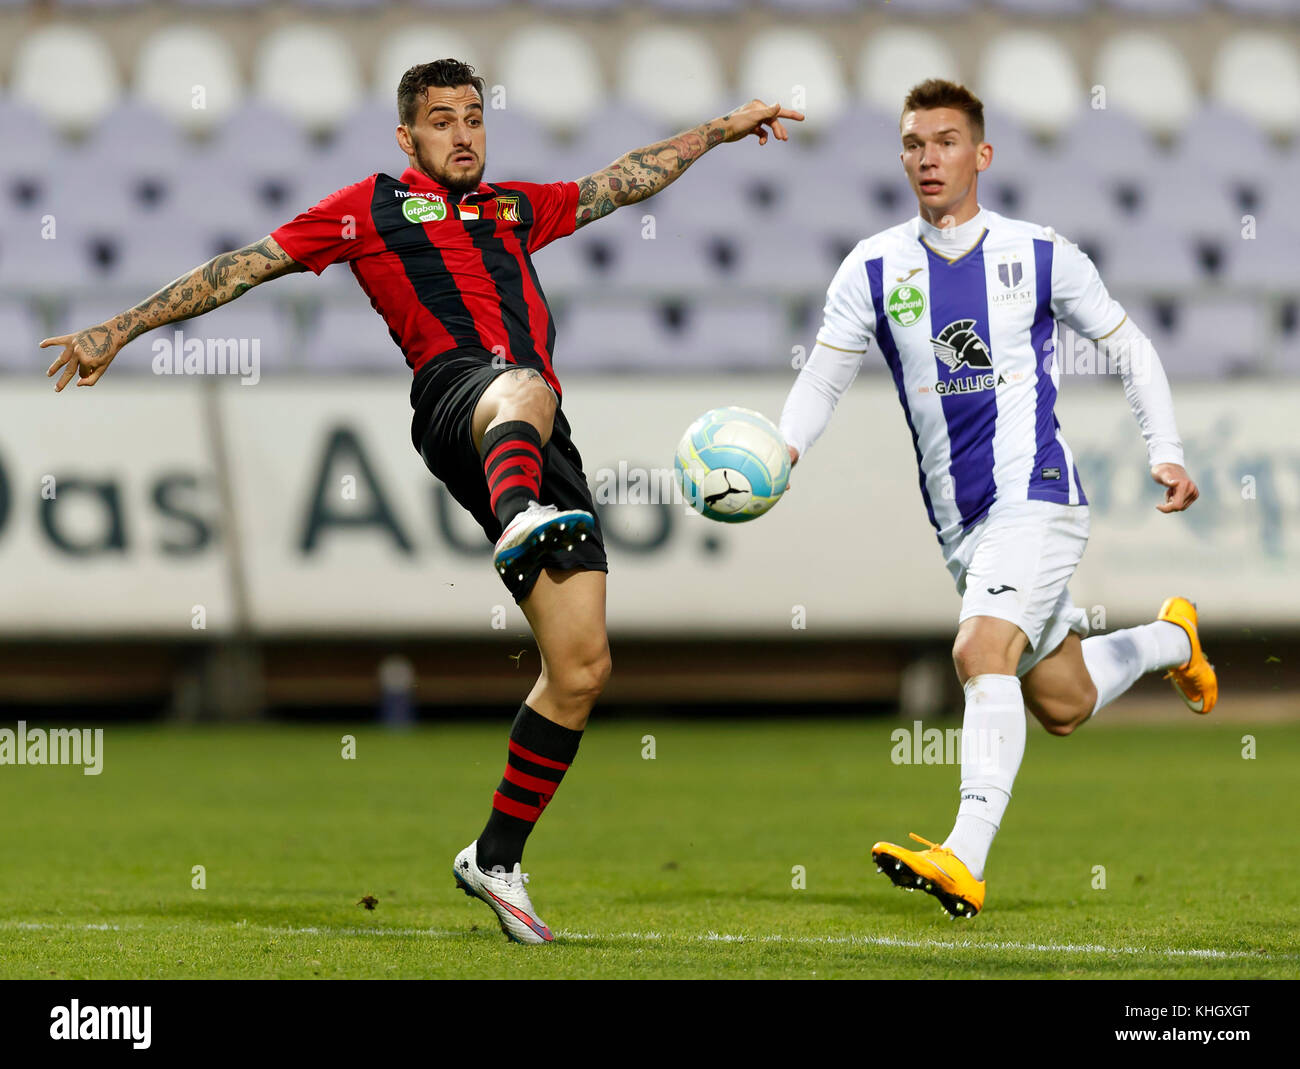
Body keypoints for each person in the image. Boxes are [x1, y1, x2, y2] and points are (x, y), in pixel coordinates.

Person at [42, 58, 801, 944]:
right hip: (454, 398)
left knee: (583, 666)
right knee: (518, 383)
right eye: (442, 120)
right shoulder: (369, 208)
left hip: (537, 433)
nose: (464, 133)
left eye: (475, 117)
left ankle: (497, 855)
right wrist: (119, 328)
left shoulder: (515, 209)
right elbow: (244, 266)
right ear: (408, 138)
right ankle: (516, 515)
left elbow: (623, 180)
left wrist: (720, 128)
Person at [778, 78, 1215, 919]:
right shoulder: (873, 266)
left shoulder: (1040, 254)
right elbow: (823, 377)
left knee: (980, 650)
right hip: (963, 525)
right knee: (1061, 701)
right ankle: (1171, 637)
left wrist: (1167, 450)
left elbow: (1130, 348)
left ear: (981, 155)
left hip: (1038, 494)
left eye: (945, 141)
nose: (927, 157)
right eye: (912, 143)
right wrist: (785, 447)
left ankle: (964, 856)